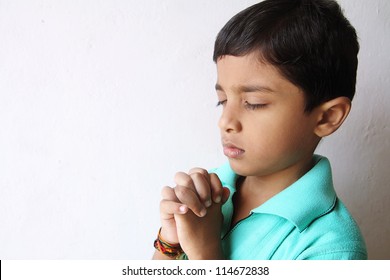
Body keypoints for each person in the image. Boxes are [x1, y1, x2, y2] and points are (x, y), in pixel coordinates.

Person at [153, 0, 367, 260]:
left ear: (327, 117)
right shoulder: (209, 191)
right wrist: (170, 240)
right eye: (223, 101)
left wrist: (204, 250)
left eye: (254, 104)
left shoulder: (332, 248)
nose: (225, 121)